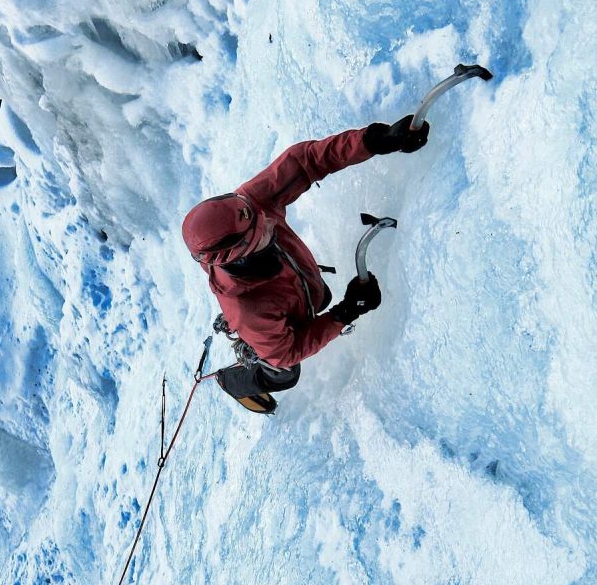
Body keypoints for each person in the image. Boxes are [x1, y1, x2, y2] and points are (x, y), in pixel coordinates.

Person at [181, 115, 430, 413]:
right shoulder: (249, 308)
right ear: (242, 253)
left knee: (320, 296)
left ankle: (305, 304)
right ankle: (232, 382)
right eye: (263, 233)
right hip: (271, 332)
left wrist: (373, 141)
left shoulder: (251, 206)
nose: (271, 221)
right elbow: (288, 351)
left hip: (300, 287)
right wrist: (344, 313)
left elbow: (305, 162)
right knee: (285, 374)